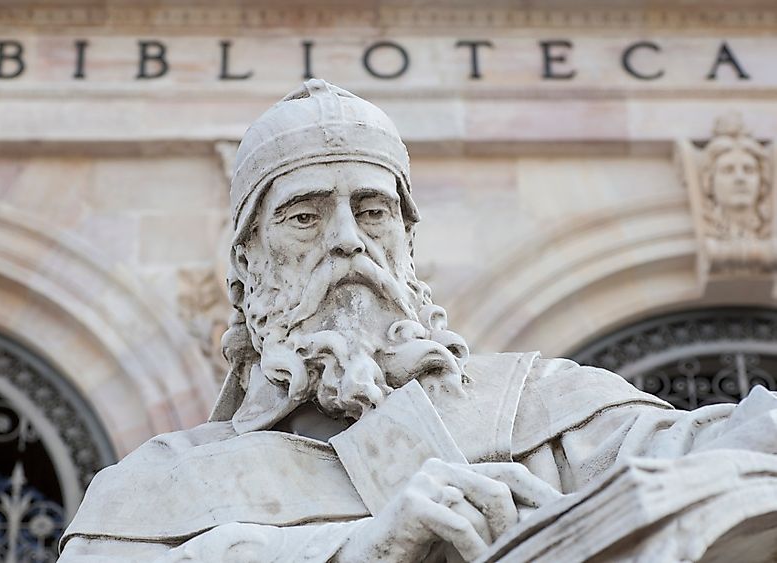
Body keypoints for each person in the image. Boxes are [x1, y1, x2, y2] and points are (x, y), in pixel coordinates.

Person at [58, 80, 777, 562]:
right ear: (247, 265)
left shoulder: (544, 402)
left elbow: (713, 447)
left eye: (372, 211)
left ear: (407, 244)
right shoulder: (154, 485)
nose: (347, 238)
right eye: (304, 216)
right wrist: (361, 545)